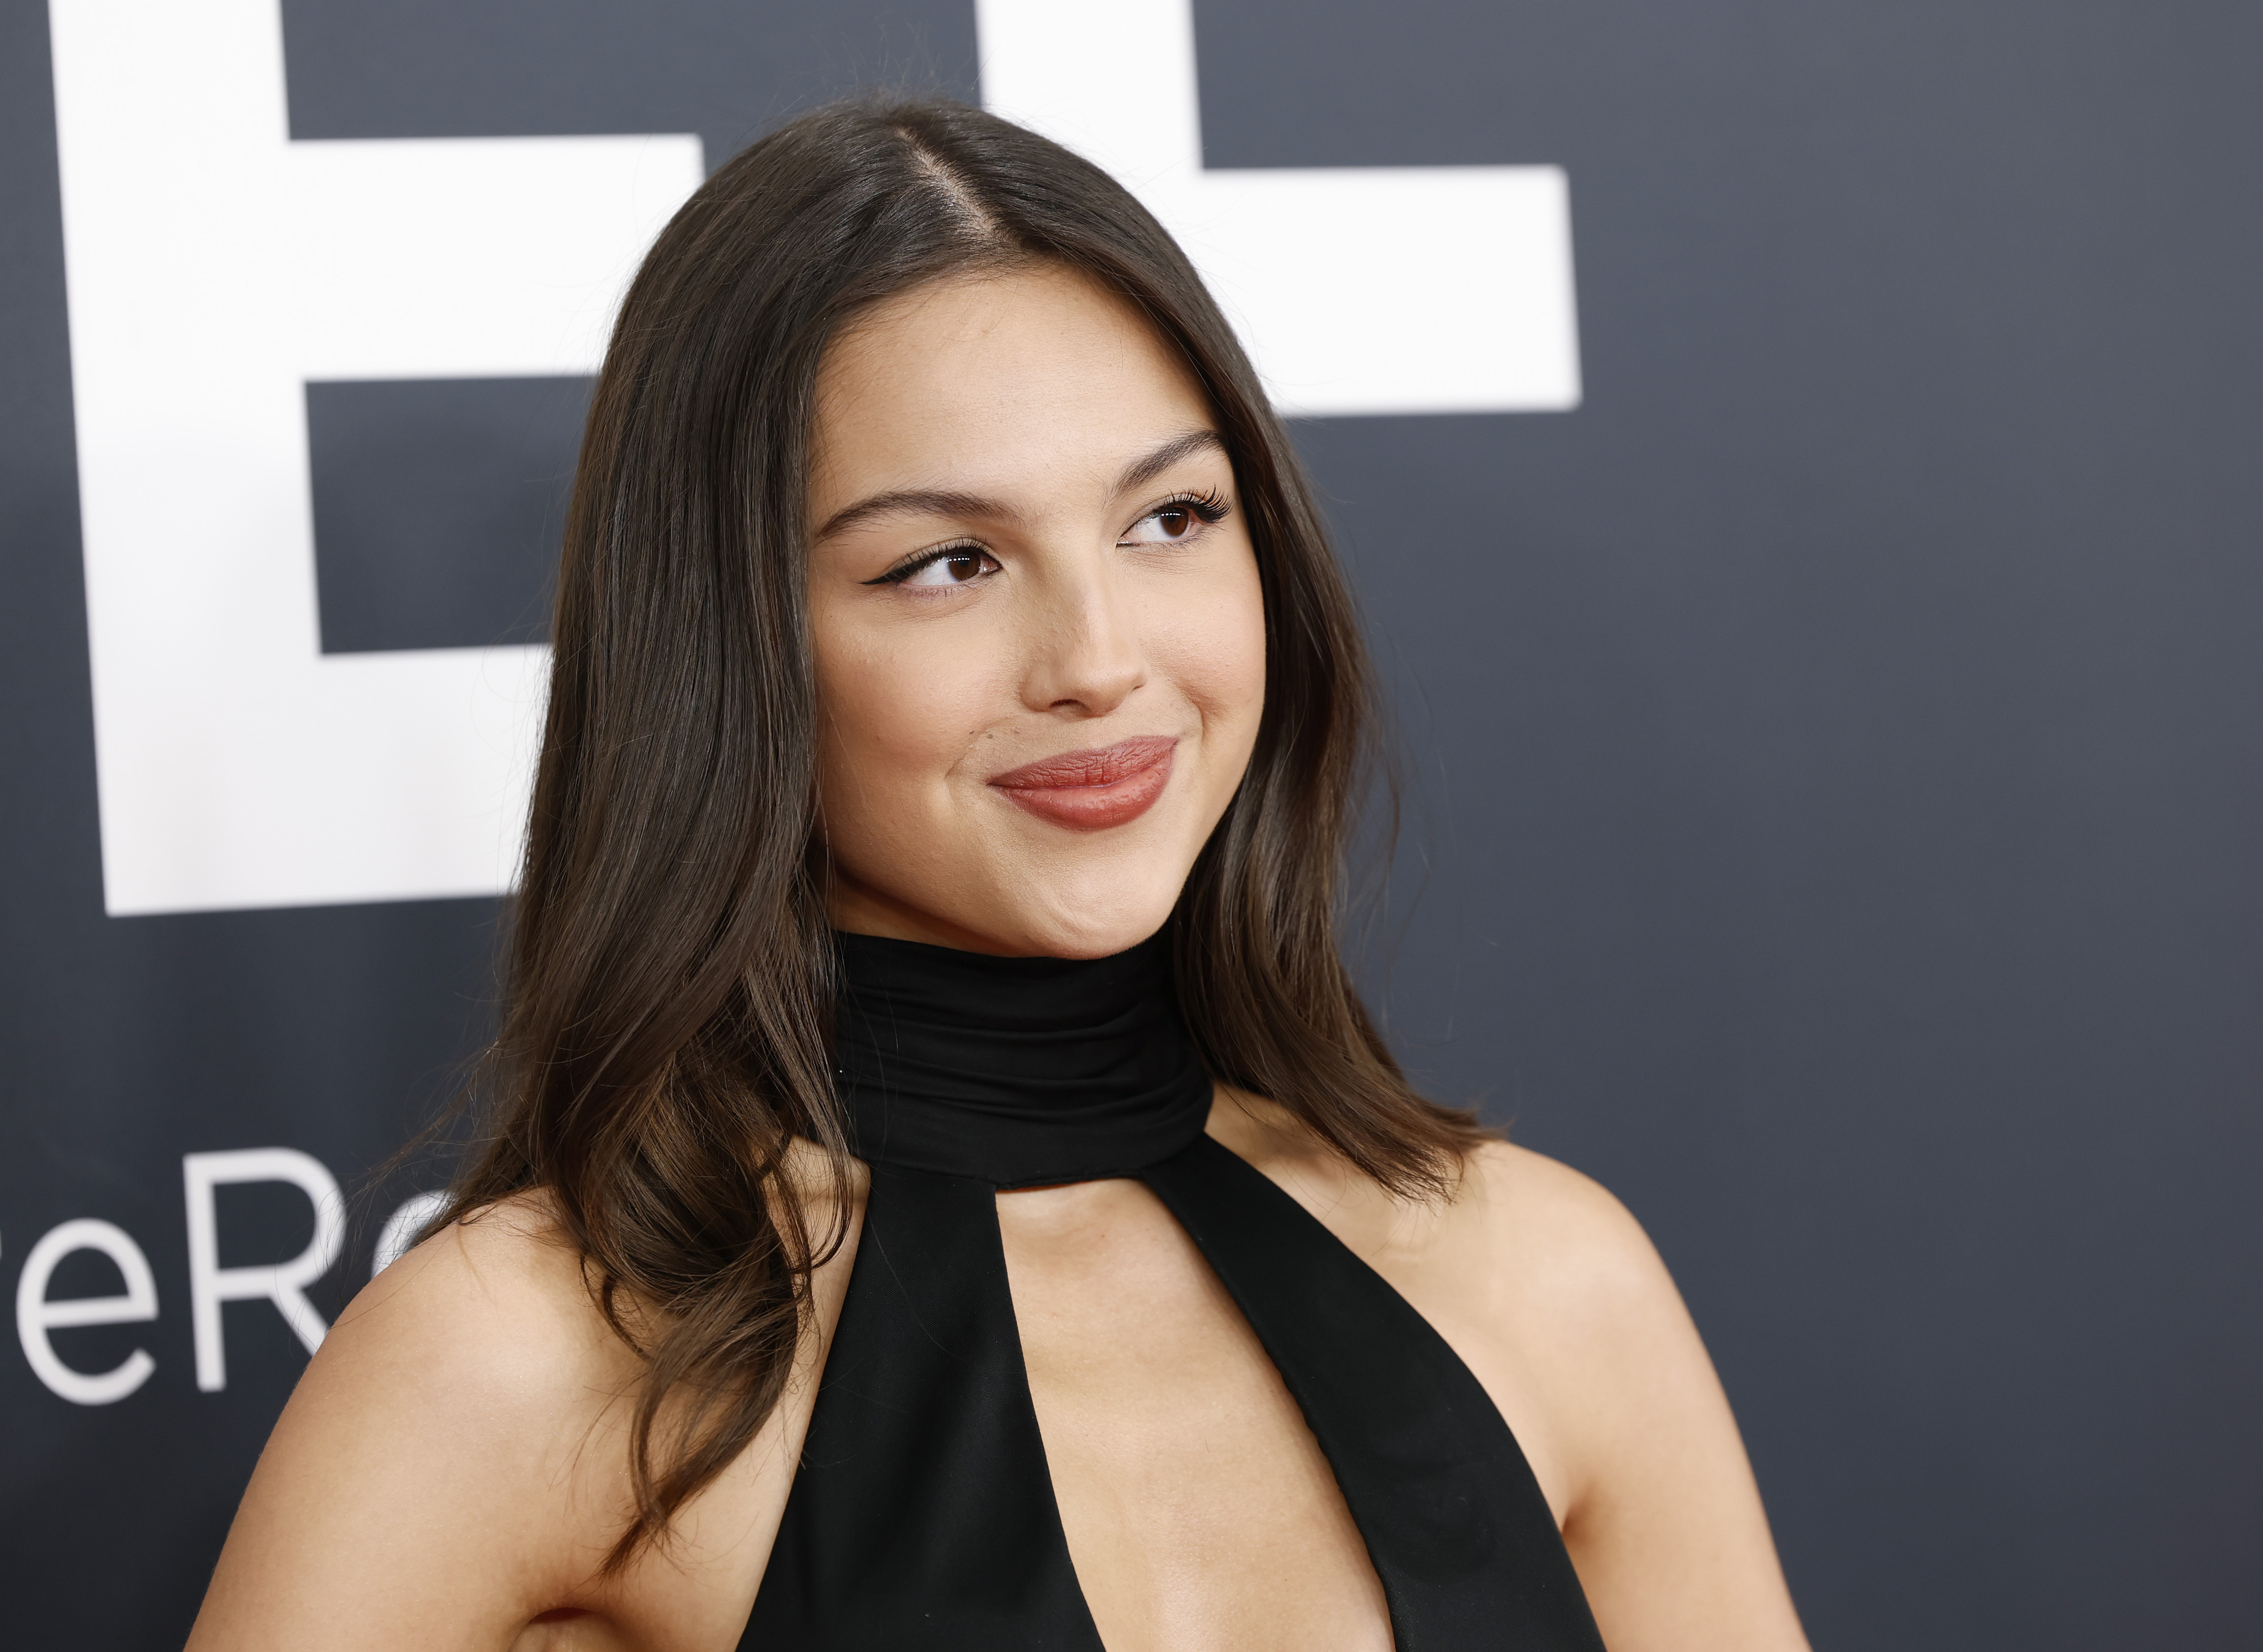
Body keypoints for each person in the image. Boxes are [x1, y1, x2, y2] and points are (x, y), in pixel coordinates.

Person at [185, 97, 1811, 1652]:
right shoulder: (518, 1366)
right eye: (947, 563)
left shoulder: (1544, 1275)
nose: (1100, 662)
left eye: (1170, 519)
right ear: (733, 646)